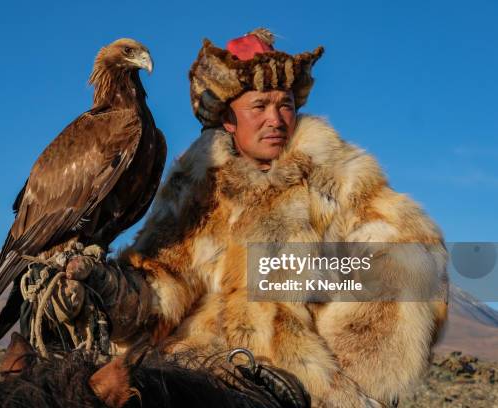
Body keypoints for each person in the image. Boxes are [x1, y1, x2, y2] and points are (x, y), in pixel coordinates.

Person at [62, 28, 449, 407]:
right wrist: (106, 292)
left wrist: (334, 377)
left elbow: (415, 262)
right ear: (228, 120)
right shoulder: (199, 185)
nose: (276, 120)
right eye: (259, 107)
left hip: (303, 383)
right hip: (203, 369)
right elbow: (162, 281)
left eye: (285, 105)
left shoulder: (339, 176)